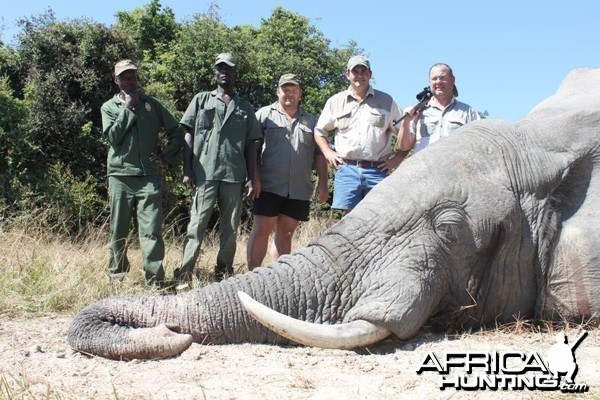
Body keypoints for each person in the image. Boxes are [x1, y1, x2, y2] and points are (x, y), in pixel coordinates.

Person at [174, 53, 262, 285]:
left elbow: (253, 143)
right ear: (215, 73)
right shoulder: (201, 100)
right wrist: (187, 169)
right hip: (204, 173)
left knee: (230, 229)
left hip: (234, 175)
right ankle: (185, 273)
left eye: (229, 68)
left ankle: (223, 274)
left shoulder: (245, 107)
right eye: (220, 68)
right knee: (196, 225)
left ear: (235, 74)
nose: (224, 71)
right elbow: (188, 134)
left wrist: (251, 178)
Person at [100, 59, 184, 287]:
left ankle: (155, 281)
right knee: (118, 229)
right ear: (116, 80)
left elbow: (176, 130)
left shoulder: (152, 104)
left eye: (132, 75)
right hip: (120, 176)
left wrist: (165, 157)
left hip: (148, 177)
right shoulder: (109, 107)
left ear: (137, 77)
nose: (129, 80)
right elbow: (112, 138)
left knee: (151, 231)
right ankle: (116, 277)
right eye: (124, 76)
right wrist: (128, 108)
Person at [246, 74, 329, 270]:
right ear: (278, 91)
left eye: (293, 90)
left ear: (300, 93)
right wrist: (253, 178)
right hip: (267, 185)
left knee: (286, 233)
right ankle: (252, 275)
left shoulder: (311, 120)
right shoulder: (264, 115)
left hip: (299, 188)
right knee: (261, 230)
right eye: (285, 89)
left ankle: (277, 277)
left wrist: (323, 183)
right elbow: (252, 150)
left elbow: (319, 154)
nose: (289, 94)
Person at [314, 55, 406, 214]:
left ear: (370, 74)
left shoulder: (387, 101)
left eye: (364, 71)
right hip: (346, 169)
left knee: (378, 219)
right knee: (348, 223)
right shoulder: (335, 101)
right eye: (355, 71)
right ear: (347, 74)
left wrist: (397, 159)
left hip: (377, 170)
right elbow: (319, 131)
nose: (359, 75)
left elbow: (406, 133)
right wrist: (328, 152)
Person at [398, 63, 480, 154]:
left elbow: (479, 142)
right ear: (429, 82)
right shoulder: (416, 111)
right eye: (434, 79)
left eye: (442, 78)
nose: (438, 82)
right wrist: (405, 122)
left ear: (452, 80)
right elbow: (404, 147)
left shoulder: (468, 112)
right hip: (424, 167)